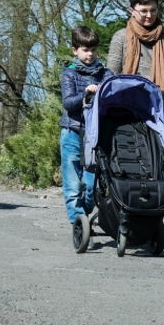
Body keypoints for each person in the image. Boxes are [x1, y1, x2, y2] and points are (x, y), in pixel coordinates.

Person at [107, 0, 164, 141]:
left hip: (161, 112)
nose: (149, 15)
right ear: (132, 10)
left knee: (161, 161)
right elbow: (110, 77)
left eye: (153, 10)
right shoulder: (121, 37)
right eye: (143, 11)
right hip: (129, 114)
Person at [60, 25, 112, 247]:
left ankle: (86, 213)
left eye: (93, 50)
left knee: (90, 185)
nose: (90, 54)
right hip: (72, 131)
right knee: (73, 183)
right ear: (75, 50)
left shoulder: (105, 73)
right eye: (84, 50)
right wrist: (85, 93)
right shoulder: (69, 73)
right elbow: (68, 103)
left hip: (94, 135)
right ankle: (80, 227)